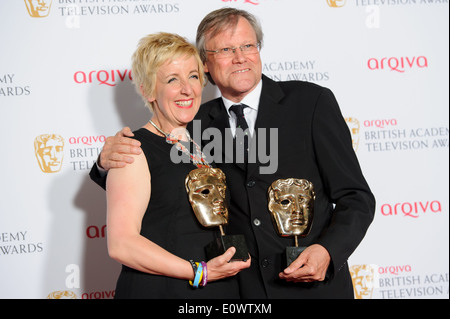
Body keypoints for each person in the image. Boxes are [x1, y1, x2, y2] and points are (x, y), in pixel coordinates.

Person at [90, 8, 375, 299]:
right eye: (226, 49)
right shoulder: (193, 122)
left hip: (314, 290)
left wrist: (328, 251)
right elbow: (157, 181)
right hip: (240, 292)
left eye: (248, 46)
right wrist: (104, 163)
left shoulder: (311, 103)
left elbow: (356, 196)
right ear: (206, 64)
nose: (240, 57)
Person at [100, 32, 250, 299]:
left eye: (193, 76)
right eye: (172, 80)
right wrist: (198, 271)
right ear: (147, 90)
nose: (187, 89)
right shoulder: (131, 150)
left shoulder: (206, 142)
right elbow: (122, 244)